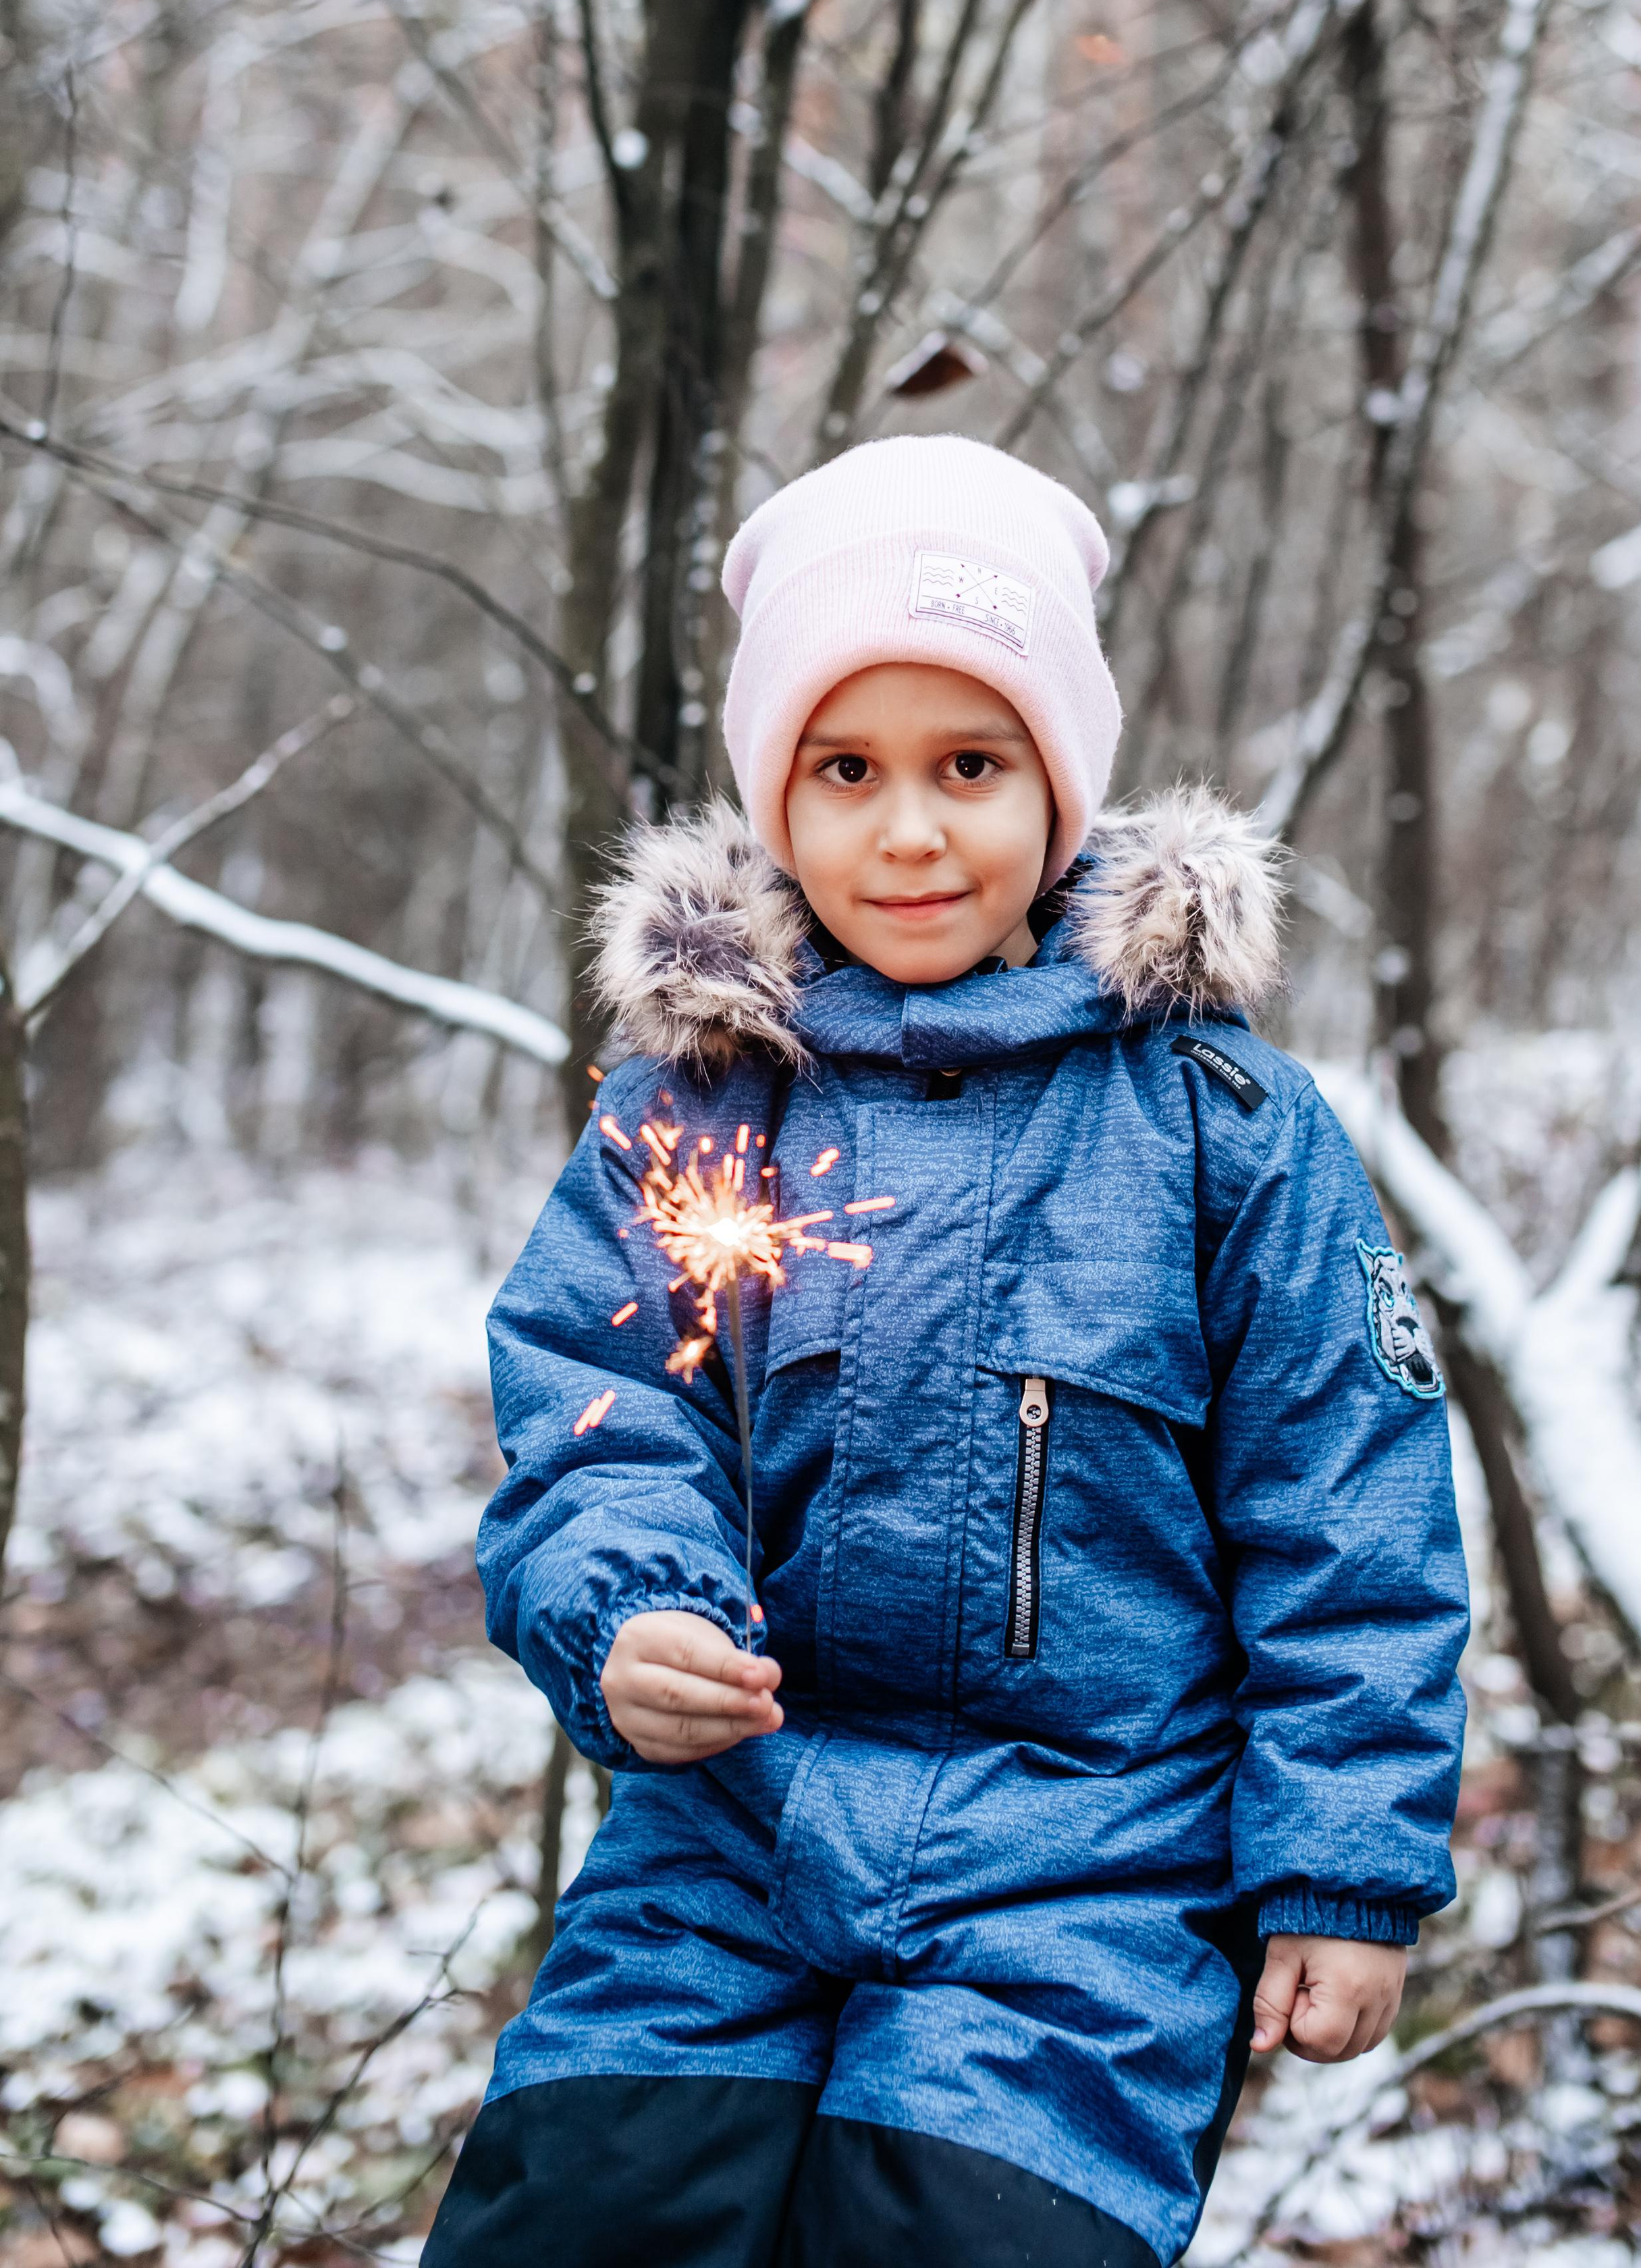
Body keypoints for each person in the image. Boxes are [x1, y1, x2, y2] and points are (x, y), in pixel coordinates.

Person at [424, 436, 1468, 2268]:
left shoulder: (1223, 1126)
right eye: (847, 770)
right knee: (589, 2215)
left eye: (970, 766)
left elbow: (1348, 1509)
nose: (909, 833)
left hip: (1090, 1881)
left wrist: (1344, 1864)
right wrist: (632, 1614)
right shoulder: (698, 1112)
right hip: (725, 1849)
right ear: (778, 797)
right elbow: (601, 1416)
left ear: (1061, 782)